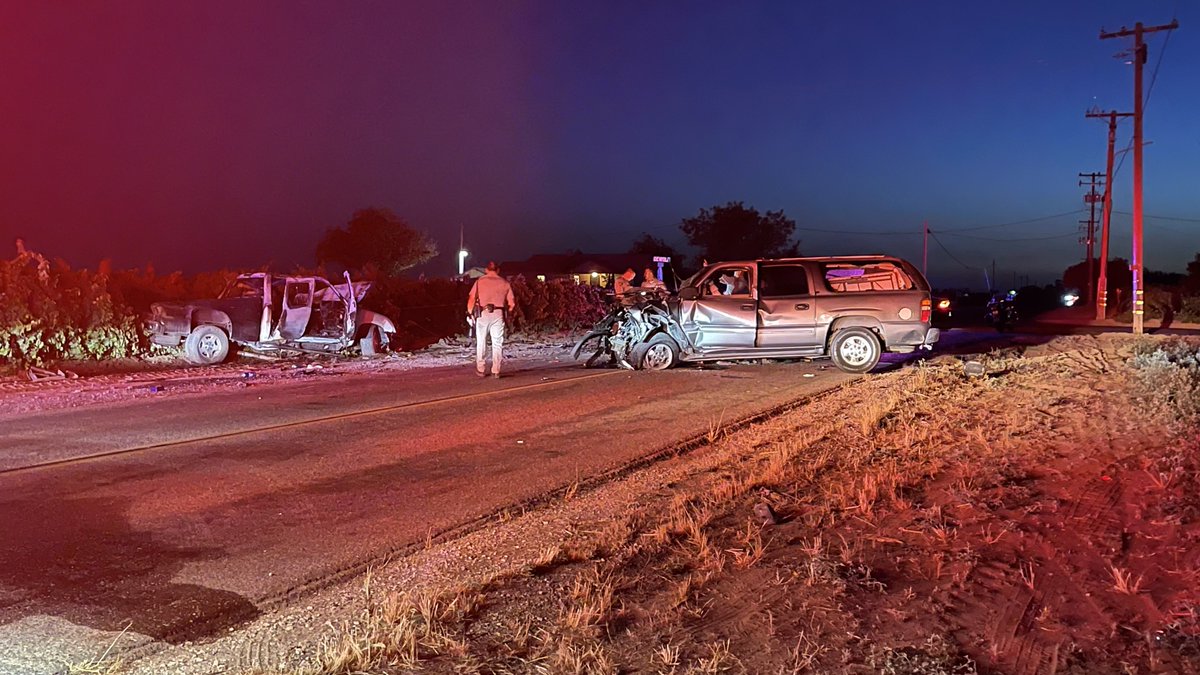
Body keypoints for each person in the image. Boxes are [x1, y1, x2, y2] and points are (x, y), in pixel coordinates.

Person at [466, 261, 515, 378]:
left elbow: (472, 299)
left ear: (486, 270)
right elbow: (512, 304)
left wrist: (469, 313)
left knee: (481, 341)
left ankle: (481, 369)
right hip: (498, 314)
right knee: (497, 343)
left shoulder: (479, 282)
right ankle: (496, 370)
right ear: (498, 270)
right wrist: (507, 313)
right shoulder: (505, 283)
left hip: (483, 314)